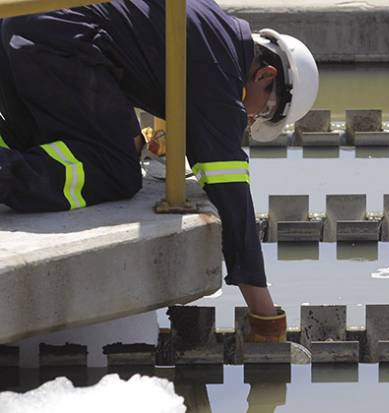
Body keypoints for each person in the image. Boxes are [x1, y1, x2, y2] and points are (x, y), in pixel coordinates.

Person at [0, 0, 319, 342]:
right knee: (116, 168)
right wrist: (265, 316)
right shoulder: (221, 74)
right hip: (58, 44)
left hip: (23, 24)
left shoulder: (211, 26)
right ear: (264, 75)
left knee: (48, 142)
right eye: (265, 111)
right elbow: (233, 202)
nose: (251, 119)